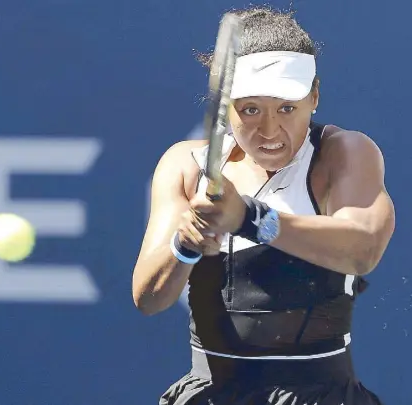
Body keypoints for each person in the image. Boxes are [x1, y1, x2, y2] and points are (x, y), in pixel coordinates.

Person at [132, 6, 395, 405]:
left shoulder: (343, 153)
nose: (269, 130)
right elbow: (149, 298)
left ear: (314, 97)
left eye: (287, 108)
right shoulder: (185, 166)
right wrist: (185, 243)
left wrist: (249, 218)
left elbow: (363, 249)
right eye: (250, 109)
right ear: (227, 107)